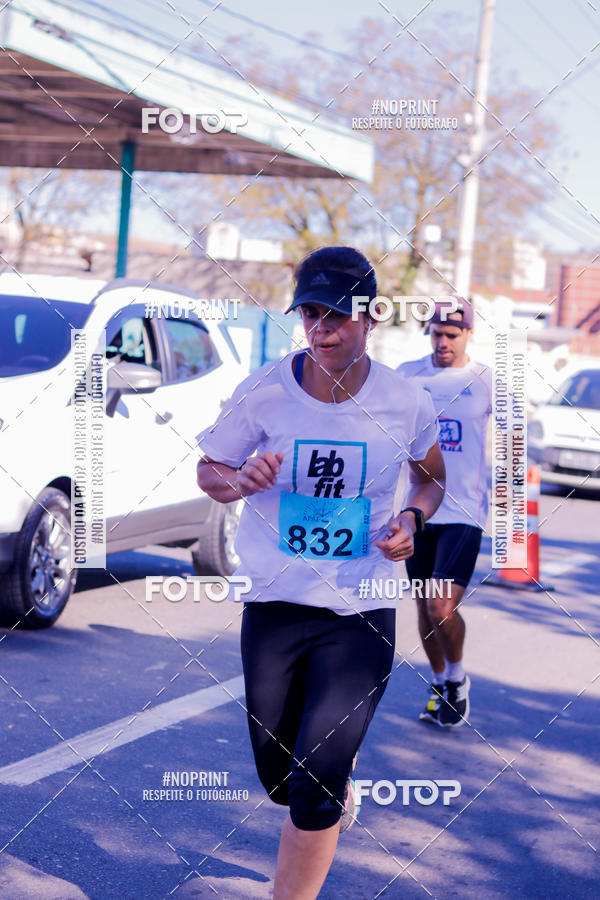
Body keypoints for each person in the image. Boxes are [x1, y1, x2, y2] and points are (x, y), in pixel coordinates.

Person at [196, 246, 445, 899]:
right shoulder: (265, 392)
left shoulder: (404, 402)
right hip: (275, 606)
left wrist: (413, 522)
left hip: (359, 614)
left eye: (338, 314)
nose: (322, 328)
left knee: (314, 781)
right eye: (311, 313)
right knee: (278, 776)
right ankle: (331, 781)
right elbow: (209, 469)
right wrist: (237, 479)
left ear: (371, 317)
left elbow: (430, 480)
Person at [398, 297, 492, 728]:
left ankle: (457, 677)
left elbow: (512, 448)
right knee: (423, 607)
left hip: (464, 511)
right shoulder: (408, 376)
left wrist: (509, 516)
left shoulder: (487, 381)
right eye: (436, 333)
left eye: (451, 334)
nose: (442, 342)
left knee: (441, 608)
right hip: (418, 509)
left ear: (468, 334)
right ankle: (440, 683)